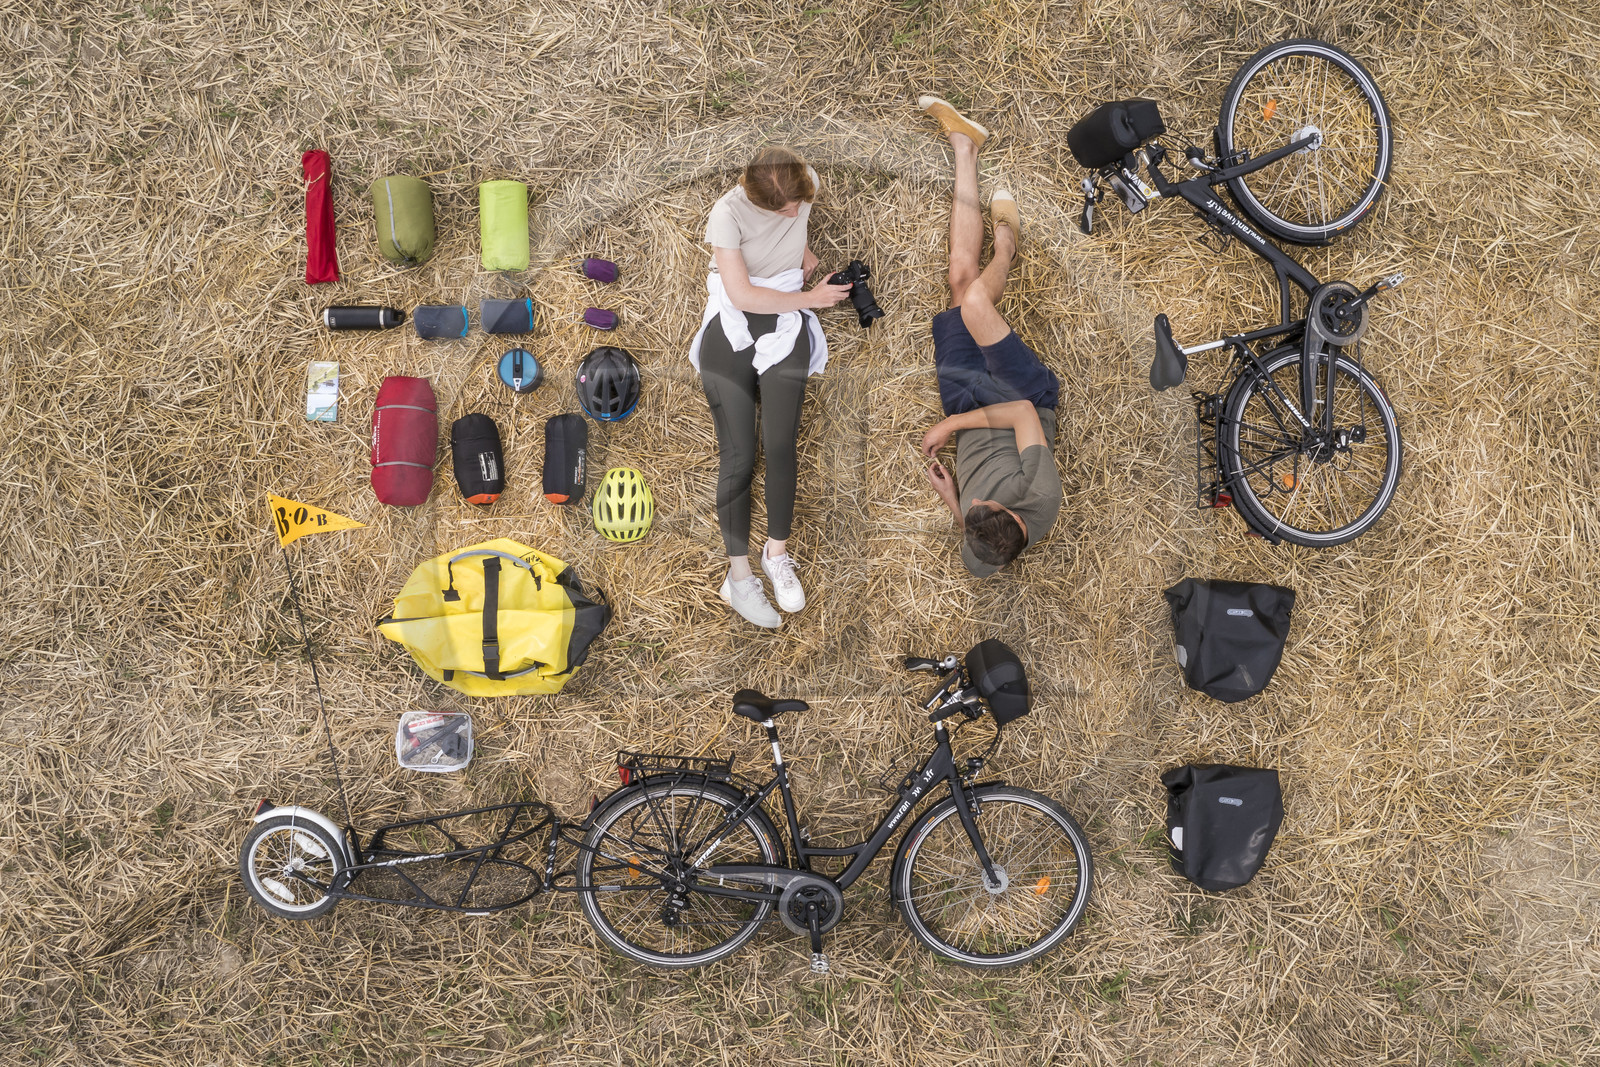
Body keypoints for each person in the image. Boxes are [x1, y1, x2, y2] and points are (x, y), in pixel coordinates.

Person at [689, 147, 852, 627]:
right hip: (739, 315)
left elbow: (797, 217)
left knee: (780, 445)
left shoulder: (802, 184)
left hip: (784, 315)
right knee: (738, 455)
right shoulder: (727, 215)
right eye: (783, 210)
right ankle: (738, 578)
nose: (796, 212)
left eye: (799, 204)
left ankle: (775, 553)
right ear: (755, 199)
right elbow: (741, 293)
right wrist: (811, 298)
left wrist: (803, 253)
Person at [916, 97, 1063, 577]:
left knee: (960, 279)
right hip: (1022, 397)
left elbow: (969, 531)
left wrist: (953, 499)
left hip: (965, 401)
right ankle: (1007, 247)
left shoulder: (988, 546)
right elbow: (1022, 415)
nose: (978, 496)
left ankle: (965, 147)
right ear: (1015, 518)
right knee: (977, 302)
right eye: (985, 504)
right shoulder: (1040, 494)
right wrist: (951, 430)